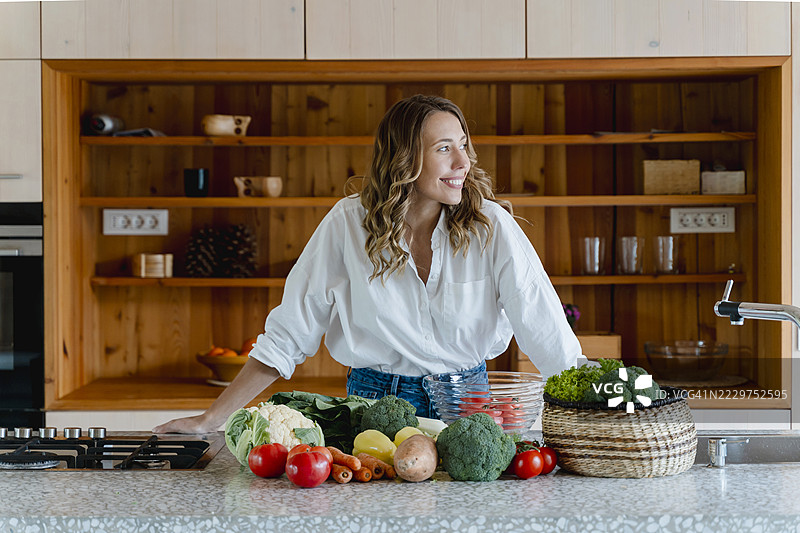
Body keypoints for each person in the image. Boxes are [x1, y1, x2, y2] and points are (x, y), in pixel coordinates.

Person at [153, 94, 581, 434]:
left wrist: (592, 412)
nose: (462, 163)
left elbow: (544, 327)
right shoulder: (347, 224)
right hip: (375, 406)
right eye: (444, 148)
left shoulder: (492, 226)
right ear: (405, 158)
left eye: (464, 147)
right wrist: (211, 419)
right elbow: (288, 334)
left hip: (468, 404)